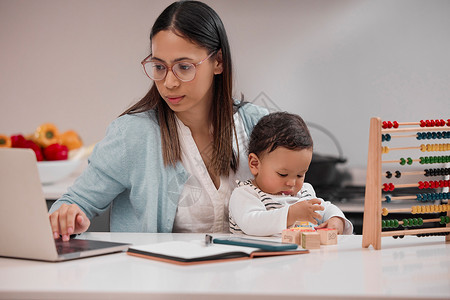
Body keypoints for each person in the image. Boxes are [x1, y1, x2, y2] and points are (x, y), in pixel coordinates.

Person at [49, 0, 268, 241]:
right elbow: (73, 203)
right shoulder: (133, 134)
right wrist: (69, 216)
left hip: (248, 275)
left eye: (184, 67)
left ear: (218, 62)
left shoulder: (259, 126)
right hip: (160, 277)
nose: (169, 82)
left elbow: (295, 207)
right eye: (159, 67)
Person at [229, 112, 353, 236]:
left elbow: (325, 208)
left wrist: (336, 219)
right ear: (255, 164)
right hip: (259, 254)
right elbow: (252, 224)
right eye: (282, 174)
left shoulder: (304, 192)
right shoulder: (245, 194)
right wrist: (290, 214)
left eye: (300, 175)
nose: (292, 183)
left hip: (302, 255)